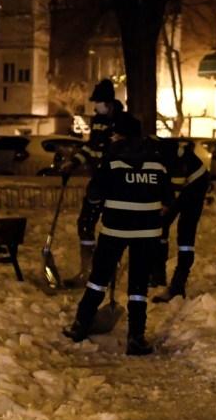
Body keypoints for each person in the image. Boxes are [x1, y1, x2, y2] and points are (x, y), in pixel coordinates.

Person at [61, 112, 170, 356]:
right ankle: (136, 337)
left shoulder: (111, 160)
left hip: (115, 230)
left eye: (113, 133)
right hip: (148, 232)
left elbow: (94, 194)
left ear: (119, 134)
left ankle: (81, 324)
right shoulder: (156, 159)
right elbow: (167, 199)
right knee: (139, 285)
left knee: (98, 279)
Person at [67, 79, 121, 283]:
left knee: (111, 228)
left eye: (97, 101)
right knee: (85, 223)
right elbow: (91, 147)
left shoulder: (119, 121)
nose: (95, 105)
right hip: (98, 180)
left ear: (107, 102)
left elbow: (117, 150)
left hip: (114, 182)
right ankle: (87, 270)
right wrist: (74, 162)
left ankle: (108, 270)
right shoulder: (97, 120)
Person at [151, 136, 210, 302]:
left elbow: (175, 182)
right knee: (159, 227)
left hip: (195, 185)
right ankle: (157, 275)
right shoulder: (149, 152)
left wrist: (166, 205)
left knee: (185, 235)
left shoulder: (165, 152)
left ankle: (178, 285)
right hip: (179, 184)